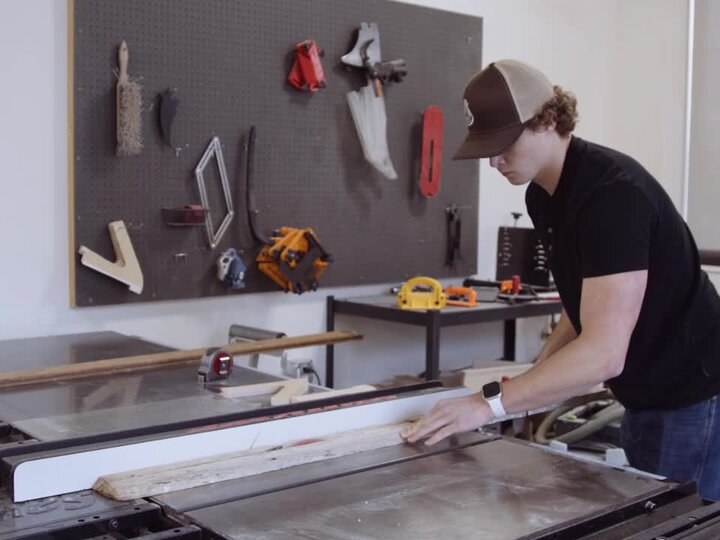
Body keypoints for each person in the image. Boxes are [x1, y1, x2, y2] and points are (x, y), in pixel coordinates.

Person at [402, 59, 720, 501]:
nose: (494, 161)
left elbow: (604, 354)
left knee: (684, 522)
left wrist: (486, 405)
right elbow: (584, 307)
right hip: (643, 392)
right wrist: (538, 379)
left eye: (504, 144)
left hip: (696, 394)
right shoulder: (544, 195)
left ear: (548, 120)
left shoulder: (612, 197)